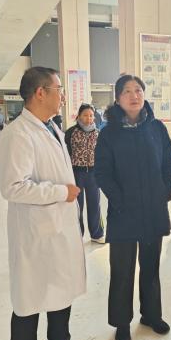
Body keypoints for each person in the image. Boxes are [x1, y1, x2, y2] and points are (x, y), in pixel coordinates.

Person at [0, 67, 87, 340]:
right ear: (40, 92)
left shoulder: (52, 128)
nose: (63, 95)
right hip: (34, 232)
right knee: (29, 299)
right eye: (59, 88)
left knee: (61, 286)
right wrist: (61, 192)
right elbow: (13, 187)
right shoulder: (16, 134)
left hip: (60, 226)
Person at [95, 75, 171, 340]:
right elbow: (102, 173)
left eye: (138, 90)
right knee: (122, 270)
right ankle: (122, 323)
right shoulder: (109, 133)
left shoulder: (156, 128)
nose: (134, 95)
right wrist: (120, 201)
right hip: (123, 212)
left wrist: (165, 191)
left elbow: (169, 160)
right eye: (127, 91)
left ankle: (151, 315)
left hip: (153, 209)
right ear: (118, 98)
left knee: (151, 266)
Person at [64, 103, 105, 243]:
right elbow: (66, 154)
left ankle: (97, 234)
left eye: (91, 115)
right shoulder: (71, 132)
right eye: (85, 115)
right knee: (77, 206)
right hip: (77, 174)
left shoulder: (98, 133)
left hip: (93, 174)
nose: (89, 118)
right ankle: (77, 235)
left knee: (95, 204)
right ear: (79, 116)